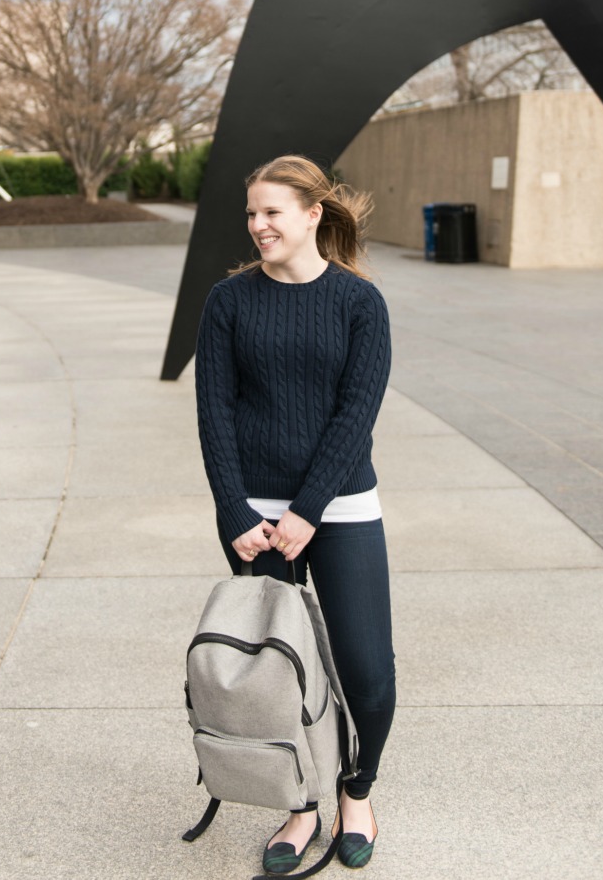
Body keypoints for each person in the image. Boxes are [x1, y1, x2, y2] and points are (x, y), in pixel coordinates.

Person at [195, 155, 396, 873]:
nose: (258, 226)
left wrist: (308, 510)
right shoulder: (229, 302)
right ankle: (301, 805)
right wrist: (233, 513)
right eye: (251, 213)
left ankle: (357, 792)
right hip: (254, 517)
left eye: (272, 212)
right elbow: (213, 411)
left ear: (313, 214)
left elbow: (355, 415)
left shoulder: (359, 303)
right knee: (277, 675)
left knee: (367, 671)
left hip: (339, 507)